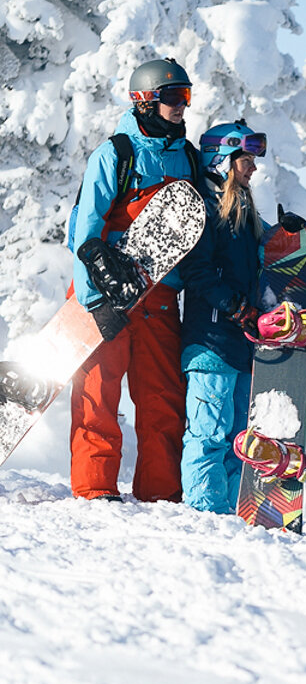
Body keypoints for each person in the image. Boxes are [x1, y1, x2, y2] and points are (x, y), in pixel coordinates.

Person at [68, 58, 200, 503]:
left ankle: (161, 495)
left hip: (159, 293)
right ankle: (95, 487)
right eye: (171, 97)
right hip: (105, 289)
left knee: (163, 395)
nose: (181, 106)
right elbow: (83, 232)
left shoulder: (189, 159)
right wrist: (93, 302)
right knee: (97, 390)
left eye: (185, 96)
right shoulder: (117, 154)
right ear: (145, 100)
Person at [177, 120, 269, 514]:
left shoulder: (244, 211)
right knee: (209, 433)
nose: (252, 167)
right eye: (245, 159)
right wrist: (234, 305)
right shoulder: (205, 206)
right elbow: (197, 273)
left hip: (240, 341)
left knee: (237, 438)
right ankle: (204, 514)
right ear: (222, 159)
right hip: (210, 339)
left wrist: (285, 237)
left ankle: (232, 513)